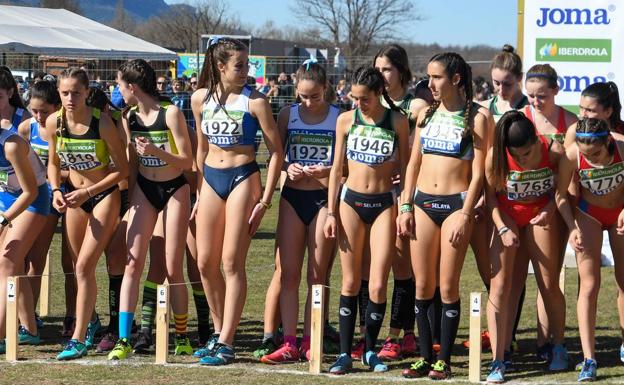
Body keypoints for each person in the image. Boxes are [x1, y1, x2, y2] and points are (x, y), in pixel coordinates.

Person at [191, 36, 284, 365]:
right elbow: (201, 149)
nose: (247, 71)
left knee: (231, 262)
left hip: (243, 178)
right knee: (204, 262)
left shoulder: (255, 101)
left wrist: (266, 200)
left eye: (248, 65)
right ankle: (219, 333)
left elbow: (277, 152)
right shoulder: (200, 98)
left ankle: (227, 343)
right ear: (220, 67)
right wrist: (200, 192)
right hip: (211, 181)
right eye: (240, 65)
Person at [399, 52, 488, 380]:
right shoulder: (426, 114)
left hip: (456, 205)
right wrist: (405, 206)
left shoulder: (478, 117)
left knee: (448, 285)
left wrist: (466, 213)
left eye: (437, 77)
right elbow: (413, 164)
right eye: (429, 77)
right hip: (422, 203)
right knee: (423, 284)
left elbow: (479, 173)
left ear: (455, 79)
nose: (430, 83)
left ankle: (444, 360)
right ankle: (424, 357)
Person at [324, 66, 409, 374]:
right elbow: (336, 169)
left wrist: (405, 206)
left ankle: (369, 350)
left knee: (377, 284)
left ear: (378, 94)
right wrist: (331, 212)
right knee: (349, 280)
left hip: (384, 204)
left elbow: (408, 166)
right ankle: (345, 354)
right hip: (350, 203)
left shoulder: (397, 121)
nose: (359, 104)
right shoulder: (346, 120)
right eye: (355, 98)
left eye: (365, 99)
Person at [106, 59, 193, 360]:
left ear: (132, 87)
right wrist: (129, 199)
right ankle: (123, 339)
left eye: (119, 86)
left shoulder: (171, 113)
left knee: (172, 267)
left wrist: (156, 151)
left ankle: (181, 335)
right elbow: (132, 162)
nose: (118, 91)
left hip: (174, 189)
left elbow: (187, 161)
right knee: (133, 263)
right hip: (144, 188)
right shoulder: (129, 116)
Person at [257, 59, 339, 364]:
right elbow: (276, 158)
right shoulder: (287, 114)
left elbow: (346, 170)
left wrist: (327, 170)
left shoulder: (338, 118)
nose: (308, 102)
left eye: (314, 96)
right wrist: (287, 169)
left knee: (317, 276)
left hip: (322, 201)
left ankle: (310, 340)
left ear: (325, 89)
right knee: (288, 274)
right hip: (293, 198)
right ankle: (289, 341)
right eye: (303, 96)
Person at [46, 67, 128, 360]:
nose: (70, 98)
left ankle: (78, 339)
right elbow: (53, 163)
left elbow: (123, 169)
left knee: (84, 267)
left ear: (86, 92)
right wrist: (56, 189)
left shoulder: (102, 123)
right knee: (77, 268)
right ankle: (89, 322)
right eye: (65, 93)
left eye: (76, 93)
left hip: (102, 195)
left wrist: (88, 192)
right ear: (58, 93)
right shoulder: (54, 122)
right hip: (72, 197)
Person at [484, 111, 567, 383]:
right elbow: (492, 200)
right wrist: (503, 228)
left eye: (527, 154)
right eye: (516, 157)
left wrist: (550, 208)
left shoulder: (553, 150)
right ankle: (499, 357)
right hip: (507, 216)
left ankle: (557, 345)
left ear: (536, 141)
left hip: (538, 215)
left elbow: (564, 189)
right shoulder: (495, 156)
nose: (522, 161)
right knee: (502, 286)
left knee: (548, 284)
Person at [369, 43, 430, 361]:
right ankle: (399, 333)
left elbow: (420, 153)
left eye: (387, 69)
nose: (381, 75)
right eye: (377, 69)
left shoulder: (415, 105)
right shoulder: (372, 102)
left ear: (402, 71)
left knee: (404, 263)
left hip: (408, 194)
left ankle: (400, 334)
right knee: (384, 262)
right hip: (374, 195)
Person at [556, 118, 624, 382]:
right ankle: (589, 358)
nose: (591, 159)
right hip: (589, 215)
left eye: (595, 153)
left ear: (607, 141)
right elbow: (560, 195)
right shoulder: (572, 155)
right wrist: (572, 227)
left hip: (618, 212)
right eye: (586, 154)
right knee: (589, 284)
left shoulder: (621, 146)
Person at [0, 70, 50, 354]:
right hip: (7, 198)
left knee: (8, 262)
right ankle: (30, 329)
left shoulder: (12, 140)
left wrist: (4, 218)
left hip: (33, 199)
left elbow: (31, 190)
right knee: (12, 266)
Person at [17, 80, 67, 339]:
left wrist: (53, 178)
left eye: (44, 112)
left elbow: (65, 166)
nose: (38, 116)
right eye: (34, 110)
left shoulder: (60, 129)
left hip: (57, 197)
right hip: (31, 197)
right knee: (21, 259)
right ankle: (24, 316)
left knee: (37, 260)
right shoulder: (26, 128)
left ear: (56, 108)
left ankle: (30, 318)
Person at [523, 64, 577, 145]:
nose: (536, 102)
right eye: (531, 96)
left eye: (541, 96)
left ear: (556, 90)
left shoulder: (570, 121)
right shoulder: (521, 117)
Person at [564, 82, 624, 147]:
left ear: (608, 112)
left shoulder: (621, 130)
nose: (583, 115)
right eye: (581, 108)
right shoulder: (574, 132)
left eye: (590, 110)